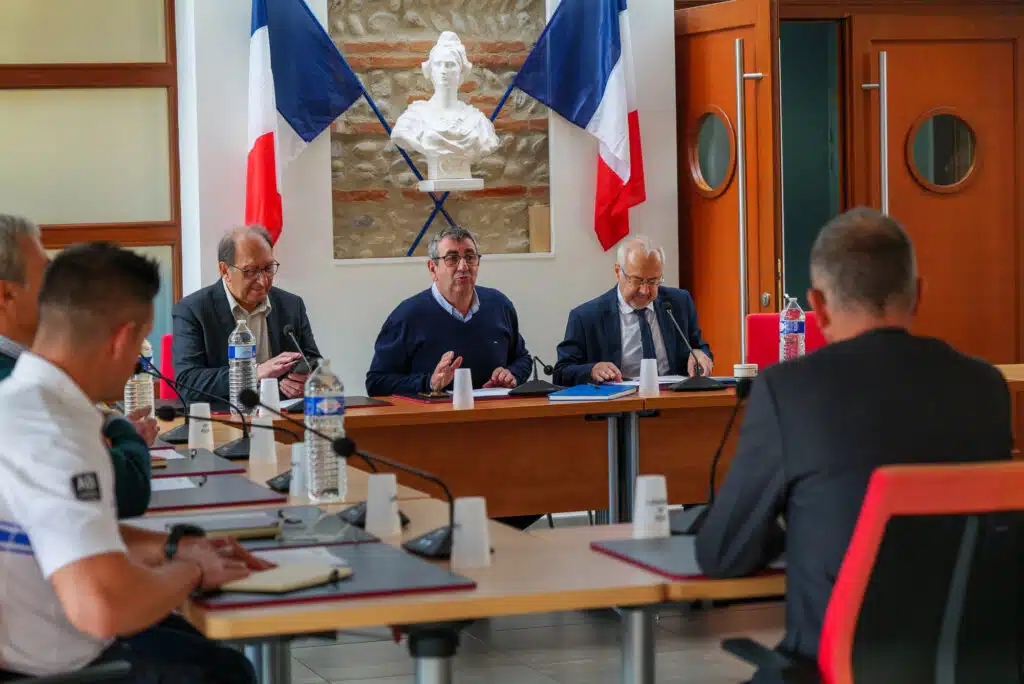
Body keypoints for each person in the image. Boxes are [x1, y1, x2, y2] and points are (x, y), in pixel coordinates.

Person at [694, 208, 1013, 679]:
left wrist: (788, 525)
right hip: (969, 665)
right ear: (918, 294)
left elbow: (723, 555)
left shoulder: (790, 391)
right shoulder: (985, 388)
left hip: (834, 667)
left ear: (818, 306)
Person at [0, 242, 270, 684]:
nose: (136, 366)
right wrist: (193, 570)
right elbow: (103, 608)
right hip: (55, 668)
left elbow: (63, 528)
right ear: (122, 339)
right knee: (225, 671)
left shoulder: (22, 401)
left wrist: (174, 548)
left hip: (36, 641)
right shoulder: (53, 431)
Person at [0, 214, 153, 519]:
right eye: (48, 276)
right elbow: (125, 486)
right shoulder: (12, 384)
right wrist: (118, 426)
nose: (60, 291)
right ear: (6, 295)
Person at [366, 226, 532, 396]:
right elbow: (377, 383)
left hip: (495, 410)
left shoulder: (499, 305)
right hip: (434, 412)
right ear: (433, 268)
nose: (463, 266)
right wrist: (429, 382)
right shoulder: (408, 315)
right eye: (452, 258)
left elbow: (522, 359)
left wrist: (512, 374)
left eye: (470, 257)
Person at [172, 226, 321, 404]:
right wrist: (254, 373)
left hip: (281, 412)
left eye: (268, 268)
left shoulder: (291, 305)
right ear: (225, 270)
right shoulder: (193, 310)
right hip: (225, 415)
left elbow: (315, 364)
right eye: (250, 271)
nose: (263, 281)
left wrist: (305, 381)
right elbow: (188, 381)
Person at [553, 236, 712, 386]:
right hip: (618, 403)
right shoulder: (586, 317)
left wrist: (699, 355)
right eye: (637, 280)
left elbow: (699, 347)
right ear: (618, 272)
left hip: (672, 400)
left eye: (653, 281)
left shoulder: (679, 303)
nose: (644, 290)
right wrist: (592, 370)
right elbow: (561, 372)